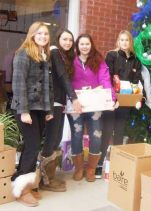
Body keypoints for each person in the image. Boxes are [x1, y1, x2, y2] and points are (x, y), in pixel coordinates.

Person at [10, 21, 54, 207]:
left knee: (31, 146)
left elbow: (48, 87)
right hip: (25, 108)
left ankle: (20, 182)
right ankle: (22, 190)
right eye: (39, 33)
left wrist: (49, 110)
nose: (43, 36)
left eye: (45, 34)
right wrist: (23, 111)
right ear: (32, 35)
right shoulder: (23, 54)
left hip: (39, 109)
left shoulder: (45, 55)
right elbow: (18, 84)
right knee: (33, 146)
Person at [38, 29, 82, 192]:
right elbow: (62, 76)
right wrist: (74, 98)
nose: (68, 42)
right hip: (53, 102)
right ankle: (45, 180)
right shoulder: (55, 51)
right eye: (65, 39)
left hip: (60, 103)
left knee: (55, 139)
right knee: (51, 139)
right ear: (58, 40)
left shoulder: (66, 56)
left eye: (70, 40)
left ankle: (49, 177)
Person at [95, 30, 142, 178]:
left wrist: (138, 98)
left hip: (125, 102)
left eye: (127, 40)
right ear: (118, 42)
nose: (124, 43)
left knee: (120, 133)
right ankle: (99, 163)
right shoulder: (112, 56)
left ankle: (116, 164)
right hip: (111, 100)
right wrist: (113, 99)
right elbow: (106, 77)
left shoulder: (136, 60)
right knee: (107, 131)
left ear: (130, 42)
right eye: (121, 40)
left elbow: (136, 81)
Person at [68, 34, 115, 182]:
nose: (84, 46)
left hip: (95, 104)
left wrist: (111, 99)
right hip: (76, 105)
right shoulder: (71, 61)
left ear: (91, 45)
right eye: (81, 44)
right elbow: (66, 80)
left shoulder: (98, 61)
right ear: (77, 46)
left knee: (96, 135)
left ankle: (91, 169)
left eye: (87, 43)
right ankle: (79, 168)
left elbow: (105, 80)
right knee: (76, 135)